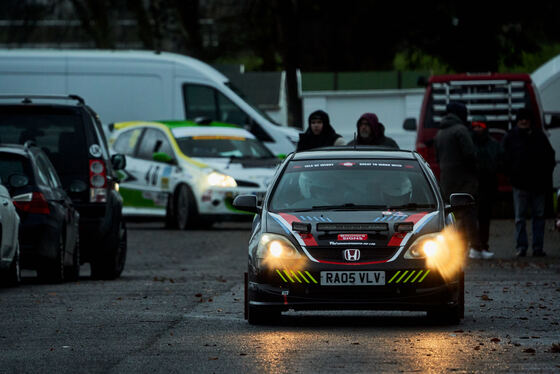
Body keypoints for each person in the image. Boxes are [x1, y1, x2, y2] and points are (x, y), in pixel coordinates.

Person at [502, 108, 555, 257]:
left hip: (537, 184)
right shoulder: (513, 137)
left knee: (535, 217)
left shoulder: (538, 136)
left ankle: (535, 247)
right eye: (521, 119)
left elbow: (550, 157)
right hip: (521, 184)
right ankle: (522, 247)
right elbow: (504, 159)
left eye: (525, 119)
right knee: (522, 218)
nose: (524, 121)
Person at [434, 101, 478, 250]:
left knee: (451, 215)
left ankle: (452, 246)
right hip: (464, 180)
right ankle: (472, 246)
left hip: (446, 180)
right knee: (467, 214)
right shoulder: (460, 130)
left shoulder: (440, 132)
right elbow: (470, 155)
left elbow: (437, 158)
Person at [469, 116, 501, 259]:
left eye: (479, 126)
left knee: (484, 218)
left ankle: (483, 246)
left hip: (487, 186)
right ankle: (475, 246)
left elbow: (499, 162)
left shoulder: (493, 144)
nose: (477, 129)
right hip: (473, 186)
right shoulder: (470, 143)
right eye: (475, 127)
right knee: (472, 218)